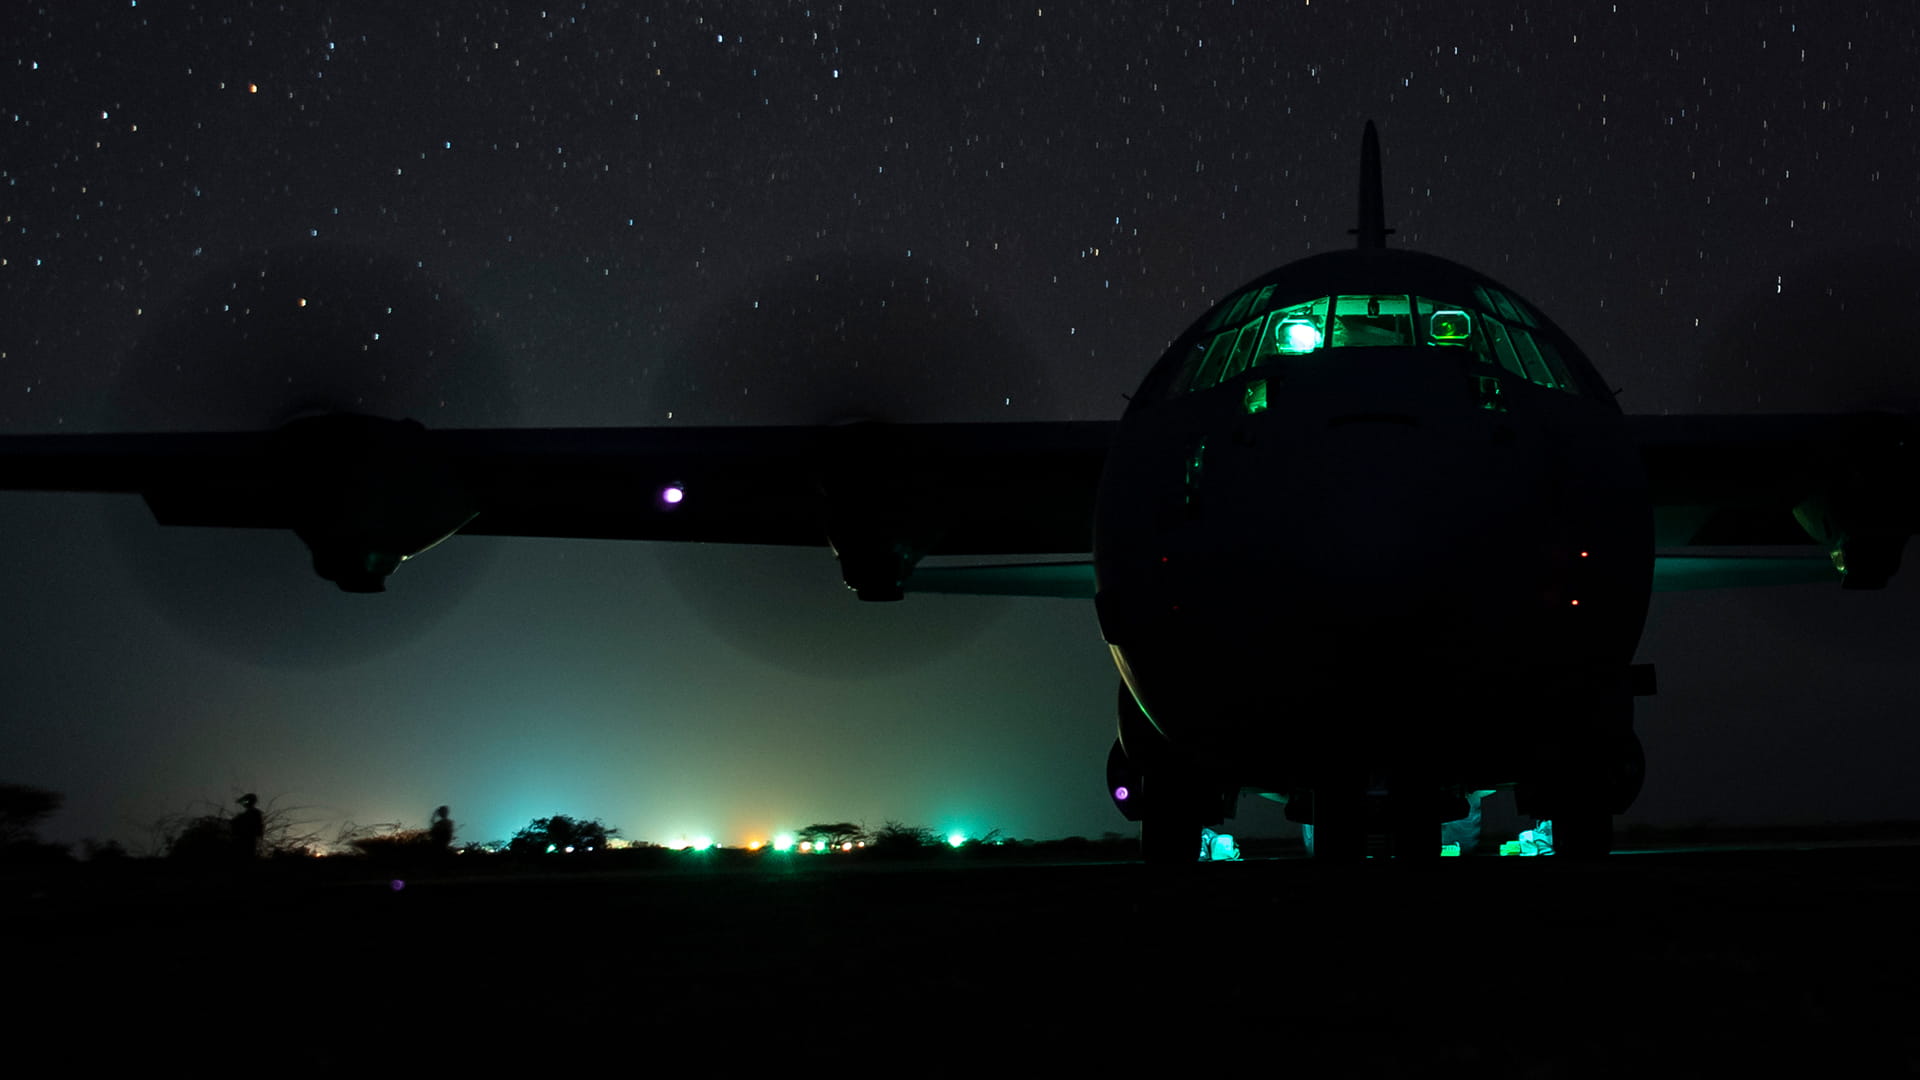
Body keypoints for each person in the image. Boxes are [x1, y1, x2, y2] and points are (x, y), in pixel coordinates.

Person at [231, 793, 264, 860]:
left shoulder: (255, 813)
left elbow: (258, 830)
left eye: (246, 801)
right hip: (242, 842)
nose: (244, 803)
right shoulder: (245, 815)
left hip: (247, 842)